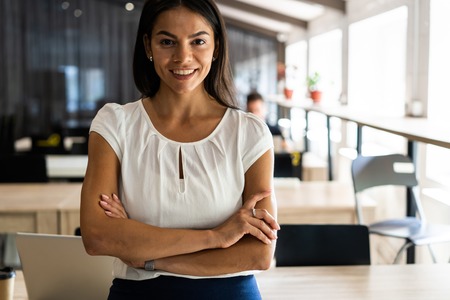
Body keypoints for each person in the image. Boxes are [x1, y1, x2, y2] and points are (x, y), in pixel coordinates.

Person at [80, 0, 280, 299]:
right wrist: (218, 236)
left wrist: (147, 257)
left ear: (216, 46)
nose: (182, 57)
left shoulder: (249, 132)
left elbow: (257, 253)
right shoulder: (115, 124)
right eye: (166, 42)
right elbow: (97, 236)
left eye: (198, 41)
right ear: (148, 46)